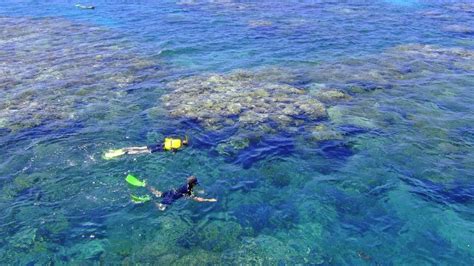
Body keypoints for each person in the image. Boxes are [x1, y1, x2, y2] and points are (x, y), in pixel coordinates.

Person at [126, 174, 217, 211]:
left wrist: (200, 191)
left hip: (171, 192)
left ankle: (145, 185)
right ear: (194, 183)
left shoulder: (187, 186)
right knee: (162, 208)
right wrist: (208, 200)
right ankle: (150, 200)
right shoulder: (189, 189)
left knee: (158, 193)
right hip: (173, 197)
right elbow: (197, 199)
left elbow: (190, 191)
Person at [103, 136, 189, 160]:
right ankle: (127, 152)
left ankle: (127, 149)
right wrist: (175, 153)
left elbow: (167, 139)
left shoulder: (176, 139)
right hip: (159, 149)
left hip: (158, 144)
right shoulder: (178, 146)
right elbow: (173, 151)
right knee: (142, 152)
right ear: (183, 144)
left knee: (141, 148)